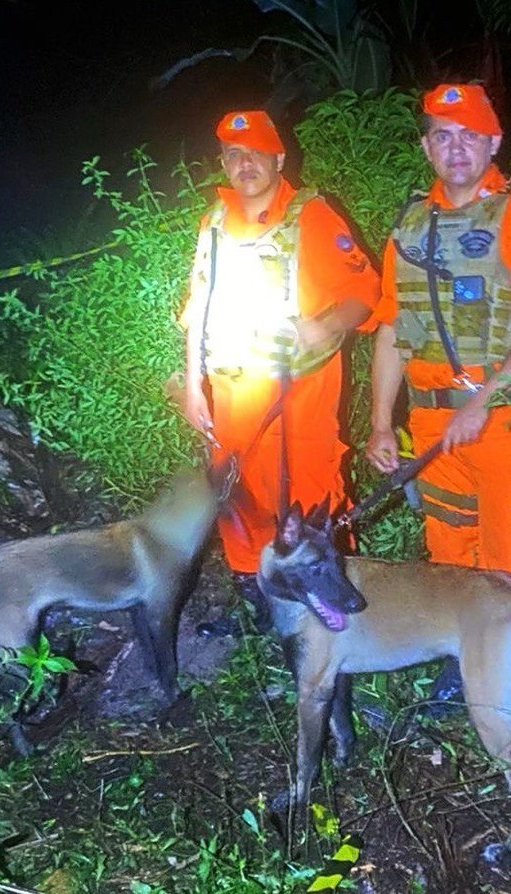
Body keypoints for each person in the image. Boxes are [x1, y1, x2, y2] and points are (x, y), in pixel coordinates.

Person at [365, 84, 511, 704]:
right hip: (431, 429)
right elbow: (390, 332)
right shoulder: (408, 225)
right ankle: (468, 669)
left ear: (494, 142)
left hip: (502, 419)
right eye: (442, 135)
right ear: (425, 144)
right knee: (451, 560)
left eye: (470, 135)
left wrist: (483, 404)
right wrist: (381, 423)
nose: (456, 149)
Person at [175, 109, 380, 636]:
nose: (243, 164)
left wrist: (324, 325)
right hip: (230, 394)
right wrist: (193, 385)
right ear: (222, 162)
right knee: (238, 502)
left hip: (299, 399)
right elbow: (198, 306)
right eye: (232, 155)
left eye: (255, 153)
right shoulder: (214, 224)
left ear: (279, 159)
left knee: (310, 505)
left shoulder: (311, 217)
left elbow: (366, 292)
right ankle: (257, 603)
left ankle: (331, 611)